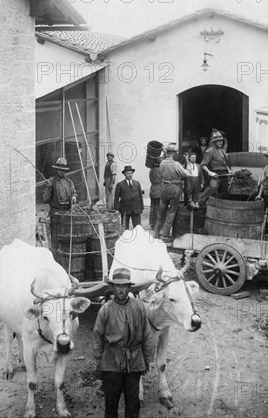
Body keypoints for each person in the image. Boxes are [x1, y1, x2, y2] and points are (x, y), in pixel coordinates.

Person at [93, 268, 155, 418]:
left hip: (134, 361)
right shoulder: (105, 310)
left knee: (133, 402)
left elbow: (147, 334)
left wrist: (147, 359)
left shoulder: (139, 306)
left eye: (124, 286)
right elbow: (97, 338)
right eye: (118, 286)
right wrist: (99, 363)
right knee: (111, 404)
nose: (121, 290)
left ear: (129, 287)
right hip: (111, 362)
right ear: (113, 287)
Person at [154, 144, 192, 242]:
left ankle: (156, 233)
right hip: (174, 188)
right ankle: (164, 234)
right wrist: (187, 161)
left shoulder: (162, 163)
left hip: (164, 188)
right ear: (174, 153)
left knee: (161, 210)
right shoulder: (176, 164)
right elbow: (188, 174)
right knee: (171, 211)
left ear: (167, 153)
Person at [42, 157, 77, 260]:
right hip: (56, 214)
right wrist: (48, 188)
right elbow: (45, 198)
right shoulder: (51, 182)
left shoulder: (69, 182)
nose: (61, 172)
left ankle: (65, 260)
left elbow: (73, 192)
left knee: (66, 238)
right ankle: (55, 261)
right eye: (59, 170)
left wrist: (74, 197)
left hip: (67, 213)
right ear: (56, 170)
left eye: (63, 170)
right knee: (55, 240)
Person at [197, 130, 232, 206]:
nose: (220, 142)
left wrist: (229, 170)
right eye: (218, 141)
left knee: (224, 193)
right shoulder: (209, 151)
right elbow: (203, 165)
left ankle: (219, 209)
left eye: (221, 141)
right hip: (215, 174)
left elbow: (225, 163)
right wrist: (210, 172)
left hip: (224, 174)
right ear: (214, 142)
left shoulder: (222, 151)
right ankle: (200, 202)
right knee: (213, 186)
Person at [114, 166, 144, 230]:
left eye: (131, 173)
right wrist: (116, 209)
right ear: (124, 174)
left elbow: (140, 196)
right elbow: (116, 198)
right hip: (125, 209)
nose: (130, 175)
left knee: (138, 228)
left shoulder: (137, 183)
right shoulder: (120, 184)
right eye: (128, 173)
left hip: (136, 209)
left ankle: (137, 238)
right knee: (125, 228)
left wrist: (142, 207)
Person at [148, 158, 162, 229]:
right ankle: (156, 224)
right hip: (159, 189)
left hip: (152, 189)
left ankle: (152, 224)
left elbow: (151, 179)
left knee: (152, 207)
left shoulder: (151, 170)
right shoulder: (160, 170)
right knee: (157, 207)